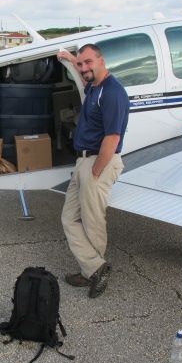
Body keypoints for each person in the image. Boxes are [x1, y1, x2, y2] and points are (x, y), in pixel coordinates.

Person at [58, 44, 129, 298]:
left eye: (88, 62)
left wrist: (97, 171)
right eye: (81, 64)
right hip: (83, 162)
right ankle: (94, 267)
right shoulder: (94, 86)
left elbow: (112, 137)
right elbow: (82, 76)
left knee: (93, 221)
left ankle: (94, 272)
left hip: (98, 162)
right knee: (69, 218)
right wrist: (70, 59)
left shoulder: (112, 92)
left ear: (101, 60)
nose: (84, 68)